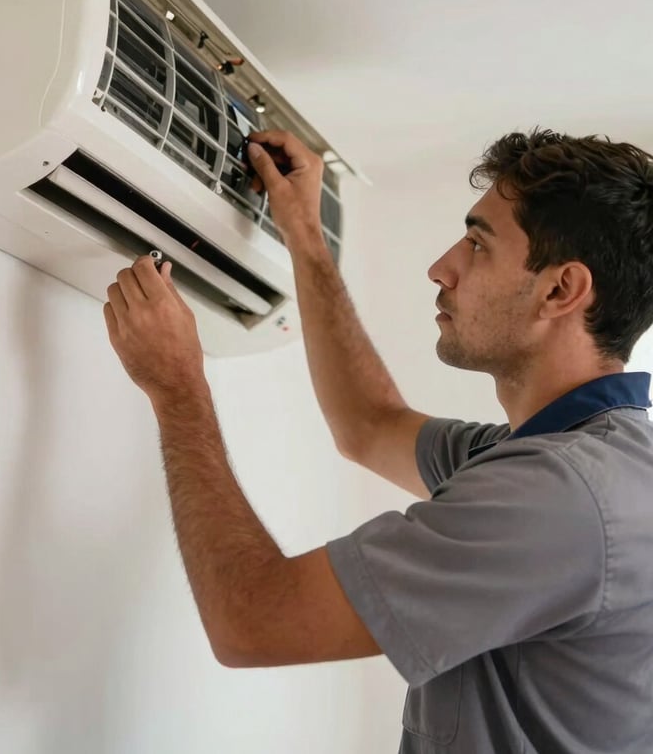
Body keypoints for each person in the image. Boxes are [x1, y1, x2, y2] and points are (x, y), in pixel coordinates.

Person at [103, 127, 653, 754]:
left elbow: (252, 622)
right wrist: (305, 233)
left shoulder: (558, 497)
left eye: (478, 245)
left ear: (560, 290)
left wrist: (178, 391)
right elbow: (370, 424)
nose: (441, 267)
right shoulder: (568, 459)